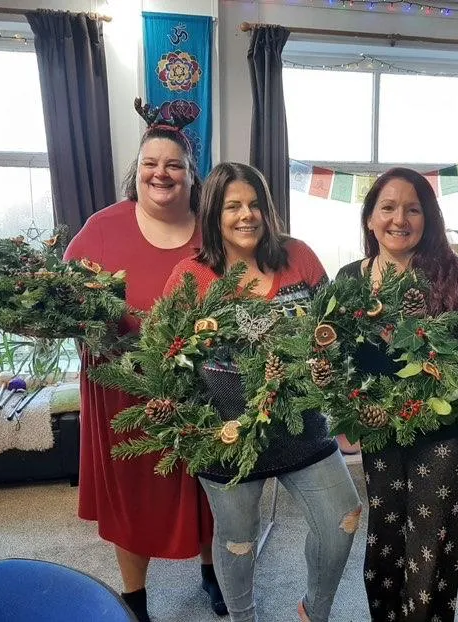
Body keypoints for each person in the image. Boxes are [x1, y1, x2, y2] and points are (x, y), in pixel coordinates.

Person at [163, 162, 362, 622]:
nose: (246, 215)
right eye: (232, 206)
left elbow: (333, 329)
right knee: (237, 540)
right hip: (227, 438)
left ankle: (315, 612)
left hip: (303, 428)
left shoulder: (299, 257)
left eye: (254, 204)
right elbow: (166, 355)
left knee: (343, 520)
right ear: (214, 214)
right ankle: (243, 618)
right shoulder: (190, 276)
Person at [64, 103, 226, 621]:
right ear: (136, 172)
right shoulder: (101, 229)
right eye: (150, 163)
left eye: (174, 164)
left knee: (211, 488)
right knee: (131, 498)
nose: (161, 173)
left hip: (201, 389)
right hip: (122, 391)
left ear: (191, 175)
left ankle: (212, 571)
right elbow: (66, 302)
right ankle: (134, 599)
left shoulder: (214, 230)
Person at [335, 168, 458, 622]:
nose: (400, 219)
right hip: (381, 434)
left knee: (431, 542)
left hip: (445, 434)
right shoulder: (348, 280)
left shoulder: (456, 277)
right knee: (385, 537)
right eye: (388, 207)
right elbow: (333, 356)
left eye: (413, 209)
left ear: (428, 218)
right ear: (370, 219)